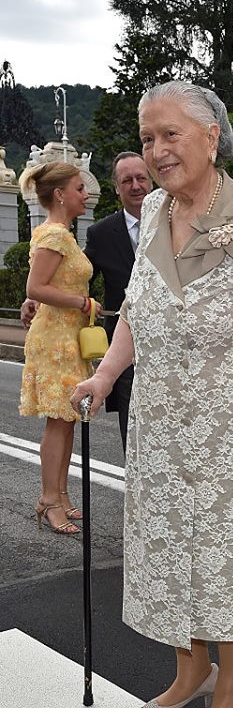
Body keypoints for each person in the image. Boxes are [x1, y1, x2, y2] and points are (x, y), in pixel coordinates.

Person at [71, 81, 233, 708]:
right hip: (160, 422)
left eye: (169, 134)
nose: (155, 150)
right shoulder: (152, 208)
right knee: (171, 554)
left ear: (211, 136)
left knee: (232, 560)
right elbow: (136, 311)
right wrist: (104, 374)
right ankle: (191, 673)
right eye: (148, 138)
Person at [21, 152, 154, 453]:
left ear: (151, 181)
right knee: (129, 426)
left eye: (141, 178)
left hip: (172, 340)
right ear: (116, 188)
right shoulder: (101, 232)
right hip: (124, 343)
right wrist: (33, 296)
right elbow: (74, 273)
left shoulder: (177, 221)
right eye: (126, 180)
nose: (135, 186)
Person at [18, 162, 101, 534]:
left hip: (66, 337)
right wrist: (82, 303)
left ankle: (61, 494)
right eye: (79, 188)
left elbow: (40, 287)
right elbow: (36, 288)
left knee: (66, 419)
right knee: (58, 421)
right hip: (56, 340)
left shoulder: (58, 234)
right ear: (60, 195)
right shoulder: (55, 235)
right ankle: (50, 500)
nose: (86, 195)